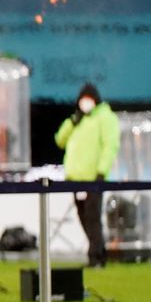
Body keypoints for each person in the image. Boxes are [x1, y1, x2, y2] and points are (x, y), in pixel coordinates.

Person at [55, 82, 120, 268]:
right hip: (75, 179)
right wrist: (72, 122)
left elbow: (110, 146)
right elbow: (60, 140)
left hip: (94, 178)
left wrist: (102, 171)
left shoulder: (105, 118)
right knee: (83, 216)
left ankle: (95, 256)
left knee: (92, 217)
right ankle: (99, 252)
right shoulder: (77, 120)